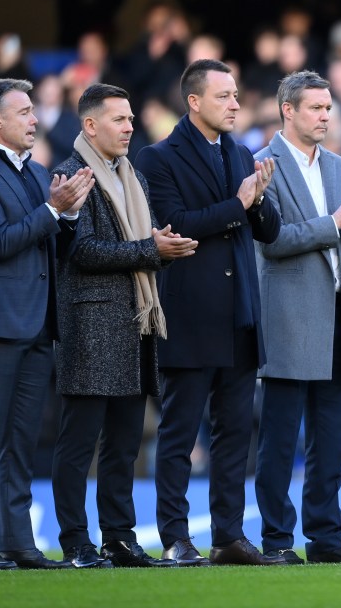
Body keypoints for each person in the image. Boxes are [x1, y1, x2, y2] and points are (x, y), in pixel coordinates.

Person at [135, 59, 283, 566]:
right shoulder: (158, 158)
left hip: (240, 315)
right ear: (194, 101)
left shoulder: (242, 154)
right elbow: (175, 226)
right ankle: (176, 536)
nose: (236, 104)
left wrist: (258, 202)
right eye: (224, 96)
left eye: (237, 95)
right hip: (191, 314)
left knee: (235, 434)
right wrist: (239, 206)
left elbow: (267, 230)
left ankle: (228, 536)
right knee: (179, 434)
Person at [51, 83, 197, 569]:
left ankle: (119, 538)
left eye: (132, 118)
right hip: (92, 328)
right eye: (119, 119)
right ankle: (75, 542)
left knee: (123, 444)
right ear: (90, 125)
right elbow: (83, 251)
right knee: (79, 444)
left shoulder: (132, 176)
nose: (130, 126)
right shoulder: (72, 175)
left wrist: (164, 247)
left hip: (135, 324)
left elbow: (145, 247)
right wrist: (151, 250)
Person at [0, 78, 93, 570]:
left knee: (21, 438)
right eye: (25, 112)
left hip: (38, 322)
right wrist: (55, 209)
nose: (35, 119)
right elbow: (3, 241)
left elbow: (50, 242)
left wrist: (69, 216)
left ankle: (18, 543)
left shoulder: (37, 173)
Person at [253, 70, 341, 565]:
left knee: (330, 441)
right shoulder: (262, 164)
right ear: (288, 110)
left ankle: (326, 538)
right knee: (280, 441)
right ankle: (277, 540)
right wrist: (338, 221)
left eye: (329, 108)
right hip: (289, 317)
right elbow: (274, 242)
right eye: (316, 108)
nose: (326, 115)